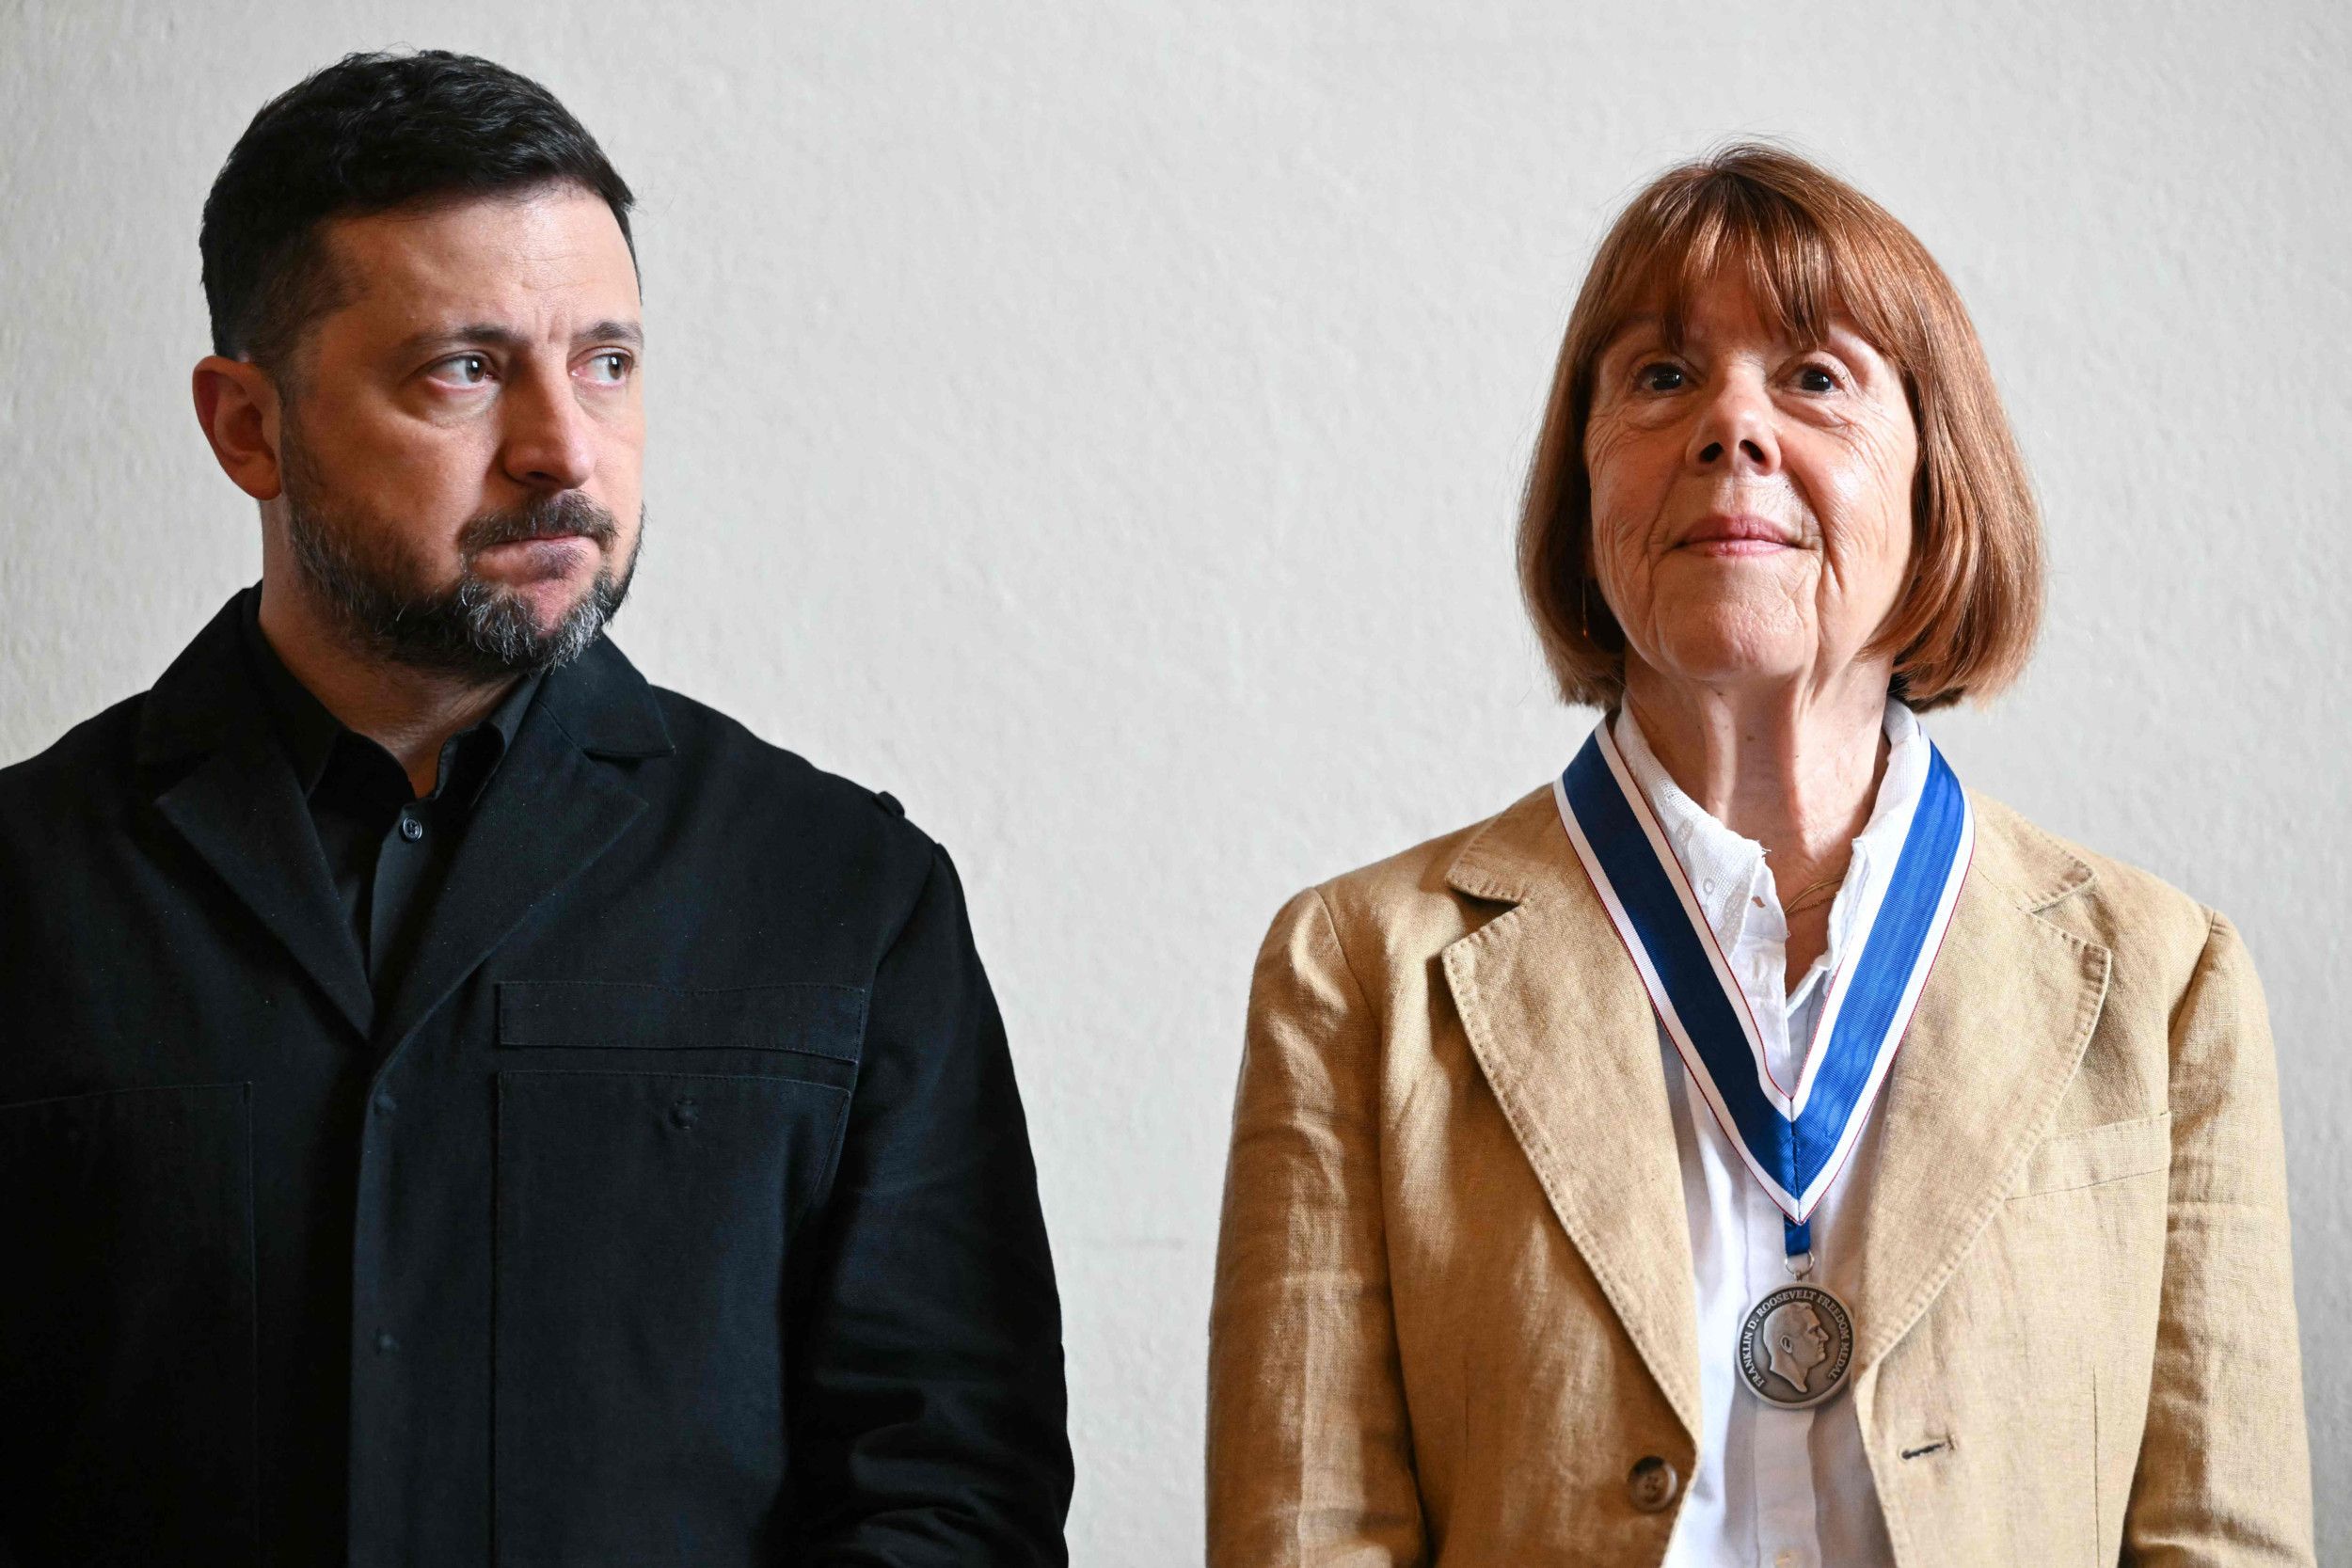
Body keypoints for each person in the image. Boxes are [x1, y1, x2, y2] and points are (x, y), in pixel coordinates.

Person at [0, 50, 1070, 1566]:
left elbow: (954, 1501)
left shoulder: (846, 897)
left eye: (609, 363)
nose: (567, 450)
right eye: (466, 367)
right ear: (248, 427)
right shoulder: (27, 889)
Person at [1206, 144, 2312, 1565]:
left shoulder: (2164, 981)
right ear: (1583, 484)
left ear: (1938, 483)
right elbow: (1307, 1538)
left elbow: (2224, 1538)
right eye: (1662, 378)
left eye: (1816, 378)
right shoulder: (1361, 972)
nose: (1734, 425)